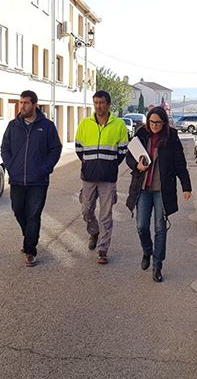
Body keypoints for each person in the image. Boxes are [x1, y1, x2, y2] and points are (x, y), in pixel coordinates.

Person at [125, 107, 192, 282]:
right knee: (141, 226)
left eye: (158, 122)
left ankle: (157, 265)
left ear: (164, 122)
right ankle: (147, 251)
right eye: (152, 122)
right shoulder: (141, 134)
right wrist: (136, 166)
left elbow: (180, 164)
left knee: (161, 228)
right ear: (148, 121)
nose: (155, 125)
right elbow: (129, 156)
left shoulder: (171, 138)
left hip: (162, 190)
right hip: (143, 188)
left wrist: (186, 186)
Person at [0, 90, 62, 267]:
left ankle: (30, 250)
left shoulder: (47, 126)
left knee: (33, 214)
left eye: (26, 103)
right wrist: (11, 166)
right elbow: (5, 148)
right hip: (17, 179)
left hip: (38, 180)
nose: (22, 106)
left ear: (34, 105)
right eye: (21, 103)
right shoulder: (13, 126)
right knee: (18, 210)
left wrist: (46, 168)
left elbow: (55, 149)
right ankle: (29, 236)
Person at [75, 90, 129, 264]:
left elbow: (122, 151)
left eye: (102, 103)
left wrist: (109, 165)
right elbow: (79, 149)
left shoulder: (119, 124)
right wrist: (90, 164)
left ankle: (103, 249)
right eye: (96, 102)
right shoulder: (85, 123)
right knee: (86, 211)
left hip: (108, 178)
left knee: (106, 215)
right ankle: (94, 232)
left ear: (108, 105)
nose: (98, 106)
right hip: (88, 177)